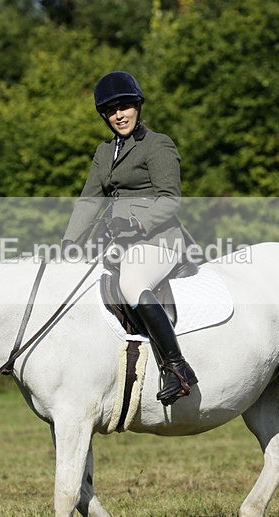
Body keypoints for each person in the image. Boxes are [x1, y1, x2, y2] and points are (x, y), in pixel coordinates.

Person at [62, 71, 198, 406]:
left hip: (159, 238)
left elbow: (170, 199)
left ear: (137, 107)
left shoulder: (157, 144)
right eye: (111, 111)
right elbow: (90, 201)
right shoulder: (103, 152)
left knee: (132, 284)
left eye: (124, 107)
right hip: (115, 242)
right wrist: (68, 245)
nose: (119, 115)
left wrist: (137, 223)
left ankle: (177, 368)